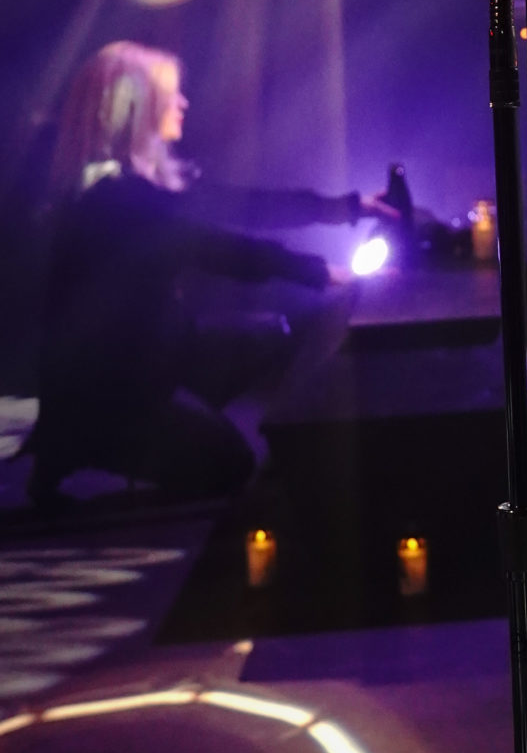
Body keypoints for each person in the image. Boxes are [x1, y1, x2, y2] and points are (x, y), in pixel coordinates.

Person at [29, 42, 363, 512]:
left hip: (153, 357)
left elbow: (245, 206)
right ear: (135, 107)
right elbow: (214, 248)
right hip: (110, 388)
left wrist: (346, 209)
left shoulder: (150, 180)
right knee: (230, 465)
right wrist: (317, 271)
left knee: (268, 335)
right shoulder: (114, 195)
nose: (183, 103)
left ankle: (159, 426)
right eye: (171, 94)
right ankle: (85, 440)